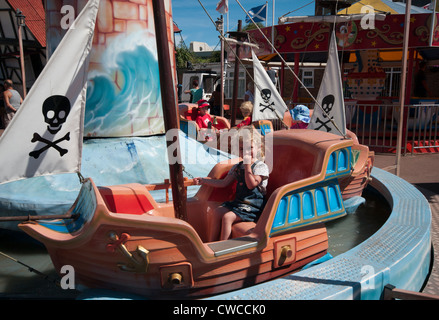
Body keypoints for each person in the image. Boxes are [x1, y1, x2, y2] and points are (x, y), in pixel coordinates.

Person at [194, 127, 269, 240]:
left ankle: (223, 247)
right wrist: (204, 181)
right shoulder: (237, 166)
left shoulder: (261, 167)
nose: (246, 152)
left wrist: (248, 165)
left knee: (227, 217)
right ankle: (211, 243)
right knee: (217, 212)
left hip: (252, 207)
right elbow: (224, 183)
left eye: (250, 148)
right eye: (242, 149)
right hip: (238, 203)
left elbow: (251, 184)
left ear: (259, 148)